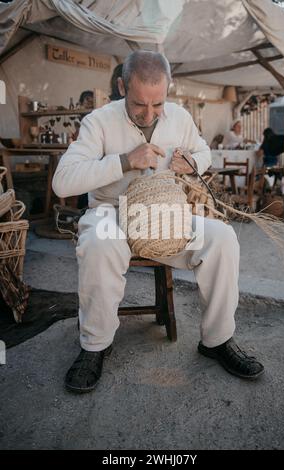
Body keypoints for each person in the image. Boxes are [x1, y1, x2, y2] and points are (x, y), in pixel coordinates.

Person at [52, 50, 264, 394]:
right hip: (112, 212)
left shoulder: (179, 118)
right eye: (138, 104)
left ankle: (217, 340)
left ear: (169, 89)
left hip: (166, 215)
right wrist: (122, 161)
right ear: (122, 86)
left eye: (158, 104)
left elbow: (204, 152)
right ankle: (95, 345)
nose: (149, 114)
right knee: (99, 243)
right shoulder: (98, 121)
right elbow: (62, 182)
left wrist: (192, 163)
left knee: (222, 238)